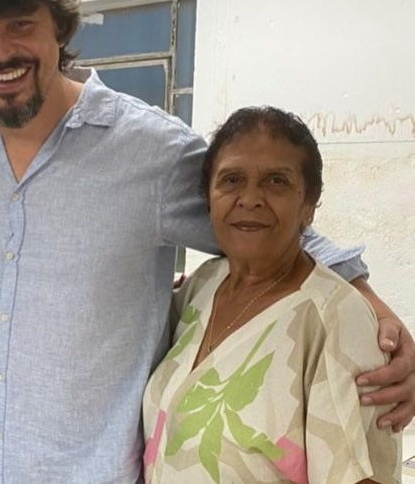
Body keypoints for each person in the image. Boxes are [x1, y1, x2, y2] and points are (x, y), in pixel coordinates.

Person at [0, 0, 415, 483]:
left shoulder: (148, 148)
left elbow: (257, 217)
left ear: (59, 29)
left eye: (21, 25)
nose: (0, 52)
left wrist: (368, 304)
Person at [142, 106, 400, 483]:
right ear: (208, 198)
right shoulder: (202, 288)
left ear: (309, 204)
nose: (250, 198)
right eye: (231, 180)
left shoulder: (335, 320)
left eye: (276, 181)